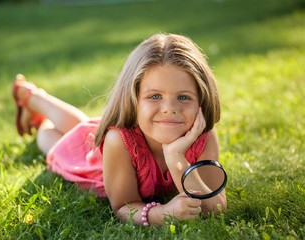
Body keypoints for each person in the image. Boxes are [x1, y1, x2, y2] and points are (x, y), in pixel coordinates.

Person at [12, 33, 227, 226]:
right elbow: (124, 206)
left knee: (83, 127)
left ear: (202, 100)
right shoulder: (118, 141)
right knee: (55, 143)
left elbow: (216, 208)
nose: (170, 109)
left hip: (110, 139)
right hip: (95, 161)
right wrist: (162, 214)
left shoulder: (204, 138)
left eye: (183, 97)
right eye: (154, 96)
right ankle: (36, 111)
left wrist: (177, 159)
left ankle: (30, 97)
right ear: (133, 100)